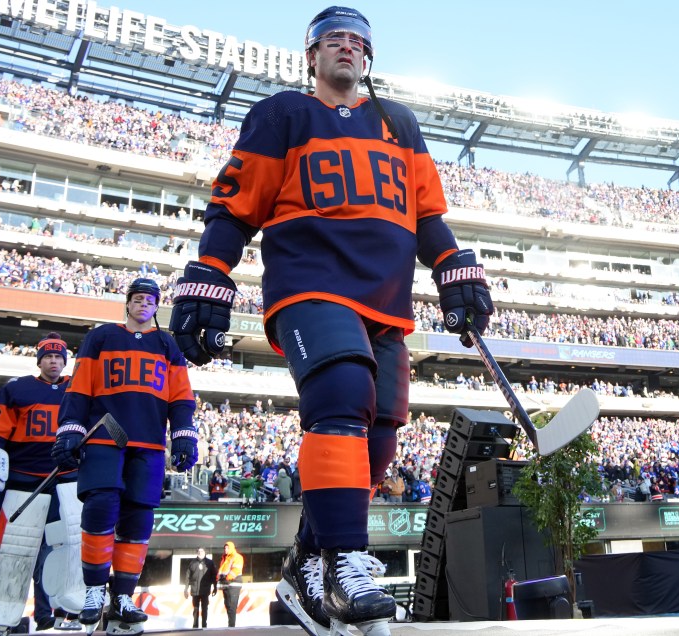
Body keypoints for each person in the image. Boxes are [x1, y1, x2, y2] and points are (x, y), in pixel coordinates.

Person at [169, 7, 493, 634]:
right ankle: (347, 561)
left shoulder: (398, 122)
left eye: (357, 41)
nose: (347, 48)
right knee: (342, 393)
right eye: (334, 40)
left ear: (368, 57)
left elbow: (425, 214)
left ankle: (307, 564)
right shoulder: (283, 113)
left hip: (386, 301)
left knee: (379, 435)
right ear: (311, 54)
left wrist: (453, 263)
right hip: (311, 284)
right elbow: (235, 204)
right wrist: (211, 268)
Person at [53, 278, 198, 633]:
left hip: (148, 442)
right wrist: (71, 427)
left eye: (150, 299)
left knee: (138, 519)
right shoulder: (101, 336)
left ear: (155, 306)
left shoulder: (167, 343)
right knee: (101, 505)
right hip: (104, 436)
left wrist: (183, 435)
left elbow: (181, 395)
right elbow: (81, 385)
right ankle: (92, 590)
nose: (143, 304)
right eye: (137, 298)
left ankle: (122, 595)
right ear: (128, 303)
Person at [0, 332, 79, 632]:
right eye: (48, 356)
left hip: (65, 479)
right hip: (23, 479)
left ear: (65, 361)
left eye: (58, 356)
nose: (53, 361)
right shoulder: (17, 388)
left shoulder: (78, 388)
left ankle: (62, 613)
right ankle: (0, 612)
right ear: (40, 360)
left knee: (67, 547)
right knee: (11, 549)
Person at [185, 547, 217, 629]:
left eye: (201, 551)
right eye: (198, 551)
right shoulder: (192, 563)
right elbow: (187, 576)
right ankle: (195, 625)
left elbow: (214, 576)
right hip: (195, 589)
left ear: (204, 552)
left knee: (204, 608)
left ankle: (204, 625)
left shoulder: (209, 563)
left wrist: (215, 587)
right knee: (195, 609)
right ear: (197, 552)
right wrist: (186, 588)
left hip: (205, 589)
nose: (200, 552)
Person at [217, 541, 245, 627]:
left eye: (227, 548)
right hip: (226, 585)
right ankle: (231, 625)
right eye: (225, 548)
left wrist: (227, 578)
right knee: (228, 605)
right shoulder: (224, 559)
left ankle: (232, 626)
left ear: (232, 548)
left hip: (234, 585)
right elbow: (221, 571)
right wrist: (218, 578)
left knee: (232, 606)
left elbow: (236, 570)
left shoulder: (237, 557)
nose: (225, 549)